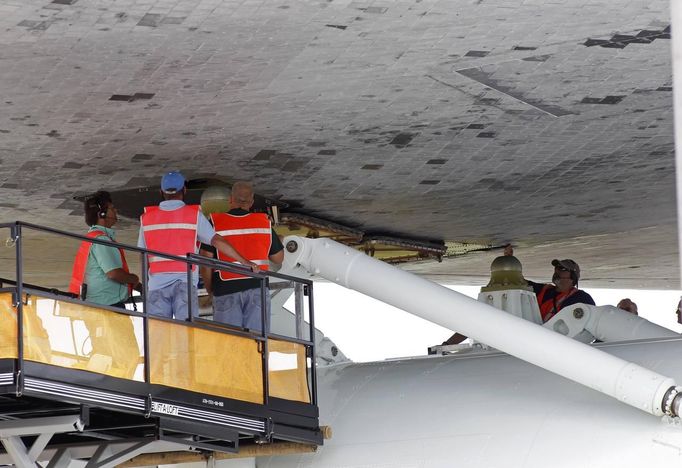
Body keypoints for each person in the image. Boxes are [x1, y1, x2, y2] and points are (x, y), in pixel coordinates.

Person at [138, 172, 257, 320]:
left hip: (156, 286)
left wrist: (146, 288)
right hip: (184, 284)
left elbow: (142, 257)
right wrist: (244, 261)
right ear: (184, 190)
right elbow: (216, 241)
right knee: (187, 332)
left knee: (160, 335)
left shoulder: (147, 218)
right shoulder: (193, 215)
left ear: (161, 192)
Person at [200, 181, 284, 332]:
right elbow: (278, 258)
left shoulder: (215, 222)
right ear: (251, 202)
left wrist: (210, 289)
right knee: (257, 343)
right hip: (257, 287)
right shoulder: (263, 223)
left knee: (229, 343)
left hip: (226, 289)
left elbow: (205, 260)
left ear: (230, 199)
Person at [69, 191, 140, 308]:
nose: (116, 211)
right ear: (101, 214)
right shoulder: (102, 240)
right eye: (112, 208)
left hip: (99, 304)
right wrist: (134, 279)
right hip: (109, 306)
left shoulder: (93, 237)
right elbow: (114, 273)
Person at [505, 246, 595, 322]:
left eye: (562, 269)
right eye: (556, 268)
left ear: (573, 277)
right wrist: (508, 260)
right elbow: (517, 280)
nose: (556, 271)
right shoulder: (544, 290)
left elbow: (595, 322)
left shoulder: (582, 298)